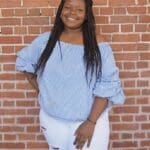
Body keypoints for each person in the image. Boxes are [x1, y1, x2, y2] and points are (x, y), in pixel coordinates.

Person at [16, 0, 125, 149]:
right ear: (61, 11)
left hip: (89, 122)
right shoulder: (46, 40)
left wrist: (90, 122)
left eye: (79, 10)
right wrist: (44, 90)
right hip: (52, 120)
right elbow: (24, 62)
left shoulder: (98, 44)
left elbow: (108, 84)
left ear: (87, 15)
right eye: (67, 7)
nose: (72, 13)